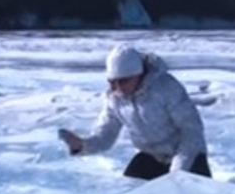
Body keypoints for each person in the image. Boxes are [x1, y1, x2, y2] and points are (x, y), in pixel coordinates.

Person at [58, 44, 211, 180]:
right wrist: (83, 145)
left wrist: (178, 170)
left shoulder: (166, 88)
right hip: (152, 157)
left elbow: (191, 131)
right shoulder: (114, 98)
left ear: (139, 75)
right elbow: (106, 136)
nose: (118, 88)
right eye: (112, 82)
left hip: (188, 157)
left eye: (123, 81)